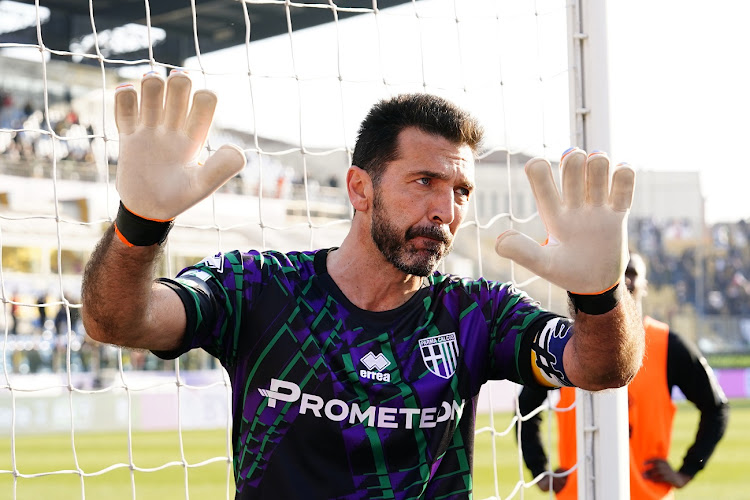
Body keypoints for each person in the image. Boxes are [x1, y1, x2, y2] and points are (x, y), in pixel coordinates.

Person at [81, 71, 645, 499]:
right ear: (359, 188)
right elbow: (117, 321)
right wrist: (140, 226)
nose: (445, 210)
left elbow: (600, 367)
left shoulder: (477, 314)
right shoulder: (257, 285)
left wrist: (600, 296)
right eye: (424, 180)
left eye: (461, 191)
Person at [517, 253, 729, 500]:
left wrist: (688, 469)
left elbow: (716, 408)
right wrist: (539, 470)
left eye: (631, 272)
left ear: (645, 285)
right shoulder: (566, 343)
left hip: (647, 494)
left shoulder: (668, 345)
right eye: (616, 271)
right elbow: (525, 408)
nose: (623, 280)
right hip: (579, 493)